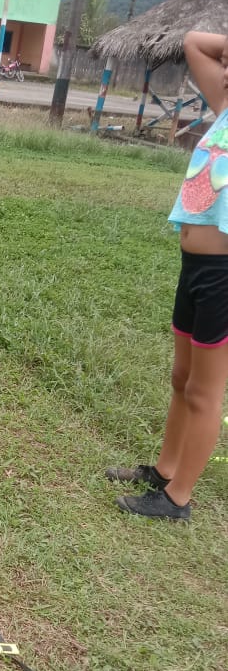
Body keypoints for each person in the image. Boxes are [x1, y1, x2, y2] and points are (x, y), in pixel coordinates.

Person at [108, 30, 228, 521]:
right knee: (181, 377)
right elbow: (195, 42)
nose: (225, 72)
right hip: (195, 267)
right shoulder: (225, 109)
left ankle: (178, 498)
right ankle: (165, 470)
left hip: (223, 275)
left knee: (204, 391)